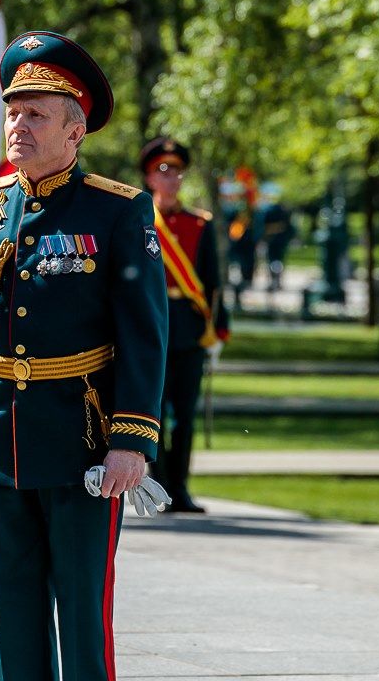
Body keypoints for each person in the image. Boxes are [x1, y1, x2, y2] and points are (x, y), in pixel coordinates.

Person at [0, 32, 168, 680]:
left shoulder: (117, 210)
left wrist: (131, 439)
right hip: (0, 442)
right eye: (13, 111)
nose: (18, 126)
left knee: (83, 618)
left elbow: (145, 334)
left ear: (75, 131)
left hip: (82, 443)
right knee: (16, 617)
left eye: (37, 114)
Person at [139, 138, 230, 514]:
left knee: (186, 416)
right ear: (149, 178)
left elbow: (213, 281)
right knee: (154, 415)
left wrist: (218, 330)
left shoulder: (199, 223)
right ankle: (159, 487)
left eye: (176, 171)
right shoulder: (141, 220)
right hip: (152, 327)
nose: (171, 178)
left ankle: (183, 488)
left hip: (190, 328)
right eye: (163, 171)